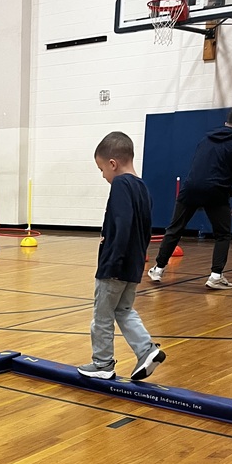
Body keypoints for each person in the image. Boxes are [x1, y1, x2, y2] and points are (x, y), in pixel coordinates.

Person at [77, 131, 165, 382]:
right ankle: (147, 350)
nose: (103, 175)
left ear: (113, 164)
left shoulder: (121, 185)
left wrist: (111, 261)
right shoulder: (142, 188)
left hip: (115, 265)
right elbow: (145, 230)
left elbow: (122, 223)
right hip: (133, 265)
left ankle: (102, 363)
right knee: (124, 309)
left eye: (102, 169)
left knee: (102, 316)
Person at [148, 107, 232, 290]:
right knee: (222, 235)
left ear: (226, 123)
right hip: (216, 192)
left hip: (191, 188)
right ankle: (215, 276)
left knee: (174, 229)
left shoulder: (206, 139)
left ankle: (158, 269)